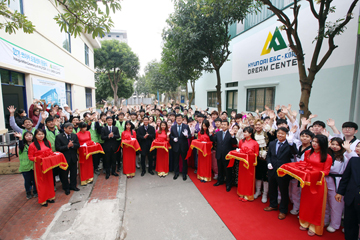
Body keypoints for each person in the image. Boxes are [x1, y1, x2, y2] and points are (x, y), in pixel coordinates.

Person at [298, 135, 332, 236]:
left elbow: (326, 171)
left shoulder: (327, 157)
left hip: (318, 183)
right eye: (313, 141)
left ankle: (314, 225)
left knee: (316, 205)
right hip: (307, 182)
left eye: (317, 142)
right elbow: (304, 164)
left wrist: (316, 173)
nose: (314, 143)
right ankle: (305, 222)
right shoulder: (307, 152)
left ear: (322, 144)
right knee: (306, 202)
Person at [264, 127, 297, 220]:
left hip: (283, 171)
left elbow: (295, 152)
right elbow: (269, 155)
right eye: (279, 133)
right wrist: (269, 163)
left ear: (286, 135)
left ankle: (283, 210)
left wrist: (291, 143)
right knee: (272, 188)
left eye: (282, 133)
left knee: (283, 191)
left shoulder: (289, 144)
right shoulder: (272, 143)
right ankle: (273, 205)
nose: (280, 135)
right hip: (272, 170)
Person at [325, 138, 357, 233]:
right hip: (326, 178)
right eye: (333, 144)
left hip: (338, 180)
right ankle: (325, 220)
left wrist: (348, 150)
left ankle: (335, 224)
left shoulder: (345, 155)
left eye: (337, 145)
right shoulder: (327, 153)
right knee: (325, 202)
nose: (334, 146)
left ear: (342, 145)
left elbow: (354, 161)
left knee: (336, 204)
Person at [336, 142, 360, 240]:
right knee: (350, 223)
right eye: (358, 146)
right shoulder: (353, 160)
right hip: (351, 197)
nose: (358, 148)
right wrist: (340, 192)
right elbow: (346, 177)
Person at [28, 129, 55, 206]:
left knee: (49, 180)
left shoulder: (47, 142)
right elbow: (30, 157)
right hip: (39, 166)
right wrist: (38, 159)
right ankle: (43, 200)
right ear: (35, 135)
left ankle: (50, 197)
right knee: (41, 182)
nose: (41, 136)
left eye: (42, 134)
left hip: (48, 165)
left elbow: (50, 152)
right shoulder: (32, 145)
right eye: (39, 134)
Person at [55, 122, 80, 194]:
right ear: (64, 128)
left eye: (72, 128)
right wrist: (67, 146)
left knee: (74, 173)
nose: (71, 130)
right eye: (69, 128)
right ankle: (66, 187)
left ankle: (73, 186)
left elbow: (77, 145)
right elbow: (58, 148)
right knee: (64, 174)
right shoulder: (59, 137)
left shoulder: (74, 136)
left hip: (73, 158)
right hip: (64, 159)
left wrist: (72, 145)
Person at [213, 120, 237, 192]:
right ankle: (219, 181)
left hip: (227, 155)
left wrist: (233, 136)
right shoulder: (218, 133)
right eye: (222, 124)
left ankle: (228, 184)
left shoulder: (230, 133)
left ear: (228, 126)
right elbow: (213, 140)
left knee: (228, 171)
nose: (223, 126)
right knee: (220, 169)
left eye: (225, 124)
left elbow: (234, 142)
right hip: (219, 154)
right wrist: (211, 134)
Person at [237, 127, 259, 201]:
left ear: (250, 133)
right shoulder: (241, 141)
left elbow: (256, 154)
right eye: (244, 132)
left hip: (250, 164)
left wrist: (249, 153)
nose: (244, 133)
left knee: (249, 179)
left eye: (246, 132)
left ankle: (248, 194)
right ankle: (241, 193)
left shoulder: (255, 143)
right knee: (242, 178)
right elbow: (239, 150)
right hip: (242, 162)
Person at [15, 131, 37, 199]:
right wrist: (20, 138)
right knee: (27, 181)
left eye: (30, 135)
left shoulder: (35, 144)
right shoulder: (23, 146)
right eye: (27, 136)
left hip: (34, 166)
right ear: (24, 137)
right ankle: (28, 192)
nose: (29, 137)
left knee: (34, 180)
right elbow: (21, 145)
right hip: (25, 167)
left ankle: (35, 191)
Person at [170, 114, 191, 181]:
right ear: (176, 120)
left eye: (180, 118)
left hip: (183, 146)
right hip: (176, 146)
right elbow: (171, 136)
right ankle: (176, 173)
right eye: (177, 118)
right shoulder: (173, 127)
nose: (179, 119)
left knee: (184, 161)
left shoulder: (186, 126)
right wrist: (173, 138)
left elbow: (190, 135)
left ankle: (184, 174)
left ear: (182, 119)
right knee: (176, 160)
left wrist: (187, 135)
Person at [253, 119, 270, 203]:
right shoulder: (253, 134)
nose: (257, 126)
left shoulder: (267, 134)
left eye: (259, 125)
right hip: (257, 158)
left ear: (262, 125)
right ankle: (258, 191)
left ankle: (265, 194)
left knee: (266, 176)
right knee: (258, 175)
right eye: (256, 125)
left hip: (266, 158)